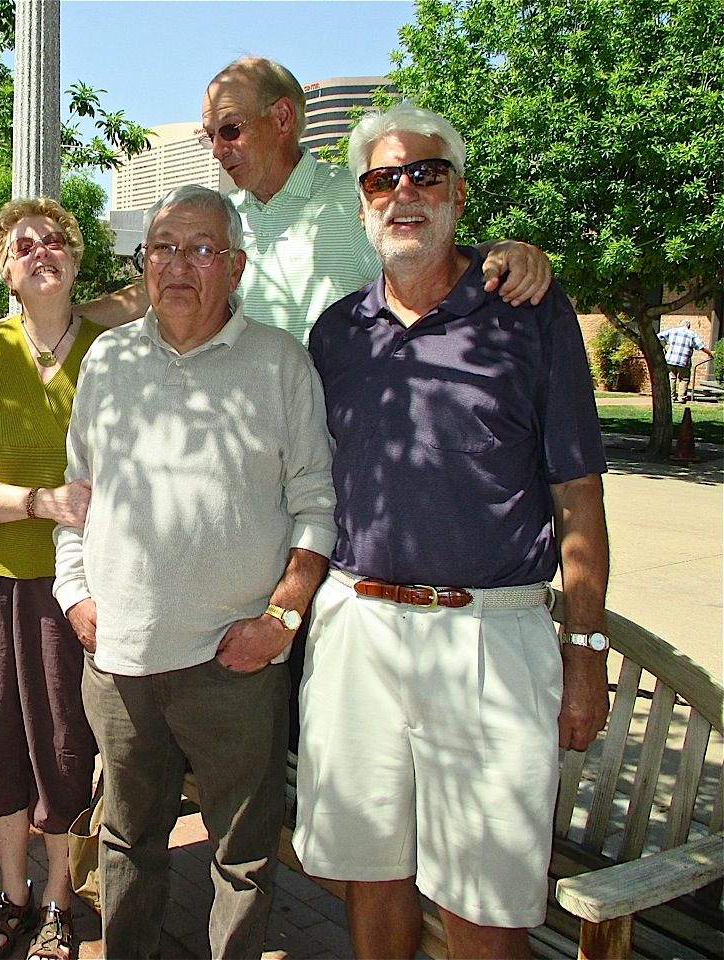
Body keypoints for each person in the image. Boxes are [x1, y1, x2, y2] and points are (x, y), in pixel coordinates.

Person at [297, 103, 611, 959]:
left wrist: (585, 652)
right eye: (382, 179)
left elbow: (579, 494)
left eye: (425, 173)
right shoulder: (336, 334)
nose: (404, 192)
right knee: (371, 869)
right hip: (357, 625)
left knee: (484, 896)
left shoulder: (529, 309)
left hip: (491, 639)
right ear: (363, 206)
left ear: (459, 194)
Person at [54, 184, 337, 959]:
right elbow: (78, 491)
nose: (180, 264)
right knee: (125, 840)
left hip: (234, 663)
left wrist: (279, 619)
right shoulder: (106, 360)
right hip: (120, 656)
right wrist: (74, 593)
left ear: (236, 266)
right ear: (144, 262)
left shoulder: (281, 364)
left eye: (203, 249)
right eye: (164, 248)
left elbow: (317, 504)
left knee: (243, 858)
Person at [76, 56, 554, 339]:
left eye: (230, 130)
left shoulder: (362, 203)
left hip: (338, 461)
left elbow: (437, 262)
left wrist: (505, 252)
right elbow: (151, 294)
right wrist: (65, 317)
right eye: (210, 136)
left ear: (282, 118)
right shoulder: (221, 222)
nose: (219, 150)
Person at [0, 198, 103, 960]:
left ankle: (61, 902)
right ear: (5, 268)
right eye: (23, 245)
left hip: (84, 589)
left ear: (75, 260)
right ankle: (11, 894)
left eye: (55, 241)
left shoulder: (113, 353)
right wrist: (40, 501)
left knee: (67, 743)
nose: (41, 253)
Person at [657, 319, 711, 402]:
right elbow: (701, 347)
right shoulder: (692, 334)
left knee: (672, 378)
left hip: (670, 359)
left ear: (679, 324)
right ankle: (681, 397)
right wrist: (710, 353)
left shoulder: (672, 331)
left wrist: (664, 345)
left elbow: (658, 336)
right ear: (688, 326)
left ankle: (672, 398)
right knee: (684, 379)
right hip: (684, 360)